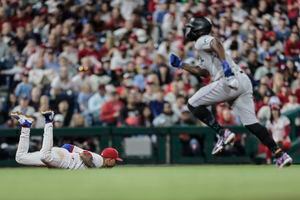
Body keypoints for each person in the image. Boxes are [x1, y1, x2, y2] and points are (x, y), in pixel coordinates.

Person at [169, 17, 292, 167]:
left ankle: (222, 133)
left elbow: (216, 43)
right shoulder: (201, 48)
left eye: (192, 27)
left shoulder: (201, 40)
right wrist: (182, 65)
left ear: (199, 29)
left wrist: (226, 69)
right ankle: (280, 154)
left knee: (192, 104)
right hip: (243, 81)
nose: (189, 30)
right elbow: (204, 72)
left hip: (228, 81)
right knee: (252, 124)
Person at [10, 111, 122, 169]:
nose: (115, 162)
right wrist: (92, 168)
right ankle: (49, 121)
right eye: (115, 160)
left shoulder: (100, 163)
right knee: (45, 156)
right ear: (109, 159)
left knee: (20, 158)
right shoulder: (99, 161)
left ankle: (25, 126)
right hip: (64, 159)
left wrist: (58, 157)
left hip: (61, 157)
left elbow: (69, 147)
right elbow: (85, 155)